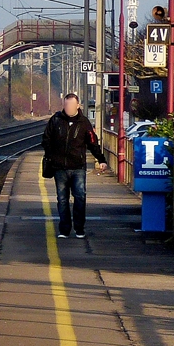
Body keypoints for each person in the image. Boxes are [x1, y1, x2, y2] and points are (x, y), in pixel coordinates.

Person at [42, 92, 107, 238]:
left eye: (71, 105)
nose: (68, 108)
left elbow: (92, 142)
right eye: (66, 105)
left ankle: (79, 228)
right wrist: (51, 155)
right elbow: (46, 138)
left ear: (78, 106)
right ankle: (64, 229)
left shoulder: (84, 123)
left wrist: (101, 159)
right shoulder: (56, 120)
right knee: (62, 199)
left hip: (78, 167)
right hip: (59, 168)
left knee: (80, 197)